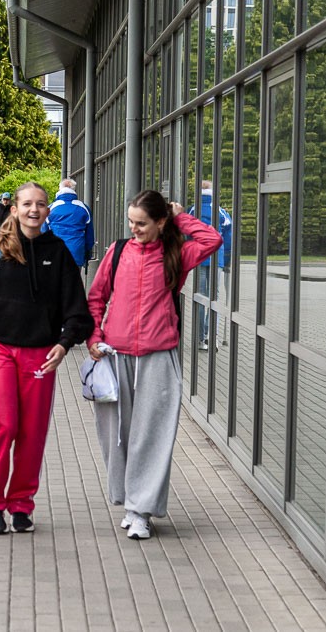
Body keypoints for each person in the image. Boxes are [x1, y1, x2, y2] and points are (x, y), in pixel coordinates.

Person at [0, 182, 93, 535]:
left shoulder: (57, 252)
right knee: (3, 426)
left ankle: (21, 504)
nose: (34, 210)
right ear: (14, 209)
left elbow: (77, 310)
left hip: (41, 355)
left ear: (48, 211)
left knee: (32, 433)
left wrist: (64, 344)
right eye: (27, 204)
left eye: (41, 204)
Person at [87, 190, 221, 540]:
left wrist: (180, 217)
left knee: (152, 436)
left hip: (158, 356)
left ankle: (140, 511)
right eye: (131, 222)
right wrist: (94, 337)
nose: (134, 229)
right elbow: (96, 298)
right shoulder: (118, 252)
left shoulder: (177, 253)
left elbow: (213, 239)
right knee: (117, 436)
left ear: (161, 222)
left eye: (142, 223)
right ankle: (129, 501)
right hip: (115, 357)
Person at [188, 180, 232, 349]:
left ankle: (200, 338)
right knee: (215, 296)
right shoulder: (221, 212)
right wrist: (226, 259)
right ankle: (211, 335)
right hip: (216, 258)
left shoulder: (193, 210)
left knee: (200, 296)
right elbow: (228, 237)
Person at [41, 178, 95, 273]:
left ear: (60, 189)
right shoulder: (84, 208)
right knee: (73, 280)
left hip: (55, 252)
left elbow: (43, 233)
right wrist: (87, 253)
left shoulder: (51, 208)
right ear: (74, 190)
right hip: (76, 252)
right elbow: (89, 236)